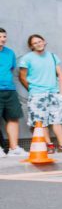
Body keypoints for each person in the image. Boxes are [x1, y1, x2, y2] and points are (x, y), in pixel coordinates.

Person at [18, 34, 62, 153]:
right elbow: (22, 77)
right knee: (41, 122)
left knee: (57, 120)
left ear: (44, 42)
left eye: (40, 41)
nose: (38, 44)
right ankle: (49, 145)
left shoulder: (52, 56)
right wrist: (33, 90)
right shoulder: (27, 58)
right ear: (31, 46)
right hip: (37, 94)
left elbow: (60, 75)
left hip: (54, 94)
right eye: (35, 43)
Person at [0, 28, 25, 157]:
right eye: (0, 37)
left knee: (13, 118)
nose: (2, 39)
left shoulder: (10, 53)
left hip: (10, 90)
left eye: (4, 36)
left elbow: (10, 69)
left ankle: (14, 148)